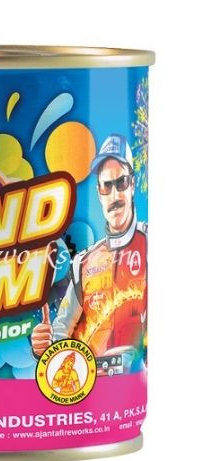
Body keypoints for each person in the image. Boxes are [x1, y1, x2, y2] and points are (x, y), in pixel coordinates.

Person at [31, 134, 147, 358]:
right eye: (106, 186)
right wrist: (43, 348)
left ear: (132, 185)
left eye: (121, 183)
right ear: (99, 193)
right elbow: (61, 331)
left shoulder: (150, 243)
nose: (115, 195)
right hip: (87, 377)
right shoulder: (83, 263)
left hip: (135, 376)